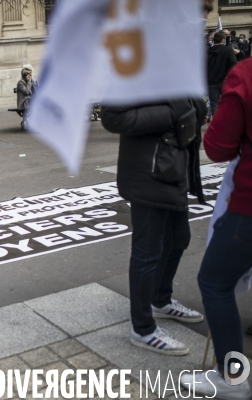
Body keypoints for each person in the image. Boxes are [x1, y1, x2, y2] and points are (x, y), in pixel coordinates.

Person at [101, 97, 208, 356]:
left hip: (172, 168)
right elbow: (112, 117)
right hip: (147, 172)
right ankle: (143, 328)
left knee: (179, 238)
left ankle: (160, 300)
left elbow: (193, 107)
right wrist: (174, 112)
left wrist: (194, 105)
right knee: (147, 251)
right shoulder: (136, 65)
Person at [179, 57, 252, 400]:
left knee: (215, 281)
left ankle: (232, 377)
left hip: (248, 208)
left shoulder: (246, 75)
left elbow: (218, 147)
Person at [207, 31, 237, 116]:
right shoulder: (228, 50)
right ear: (223, 40)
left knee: (214, 104)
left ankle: (218, 125)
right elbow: (234, 63)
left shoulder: (207, 51)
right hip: (225, 81)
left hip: (211, 81)